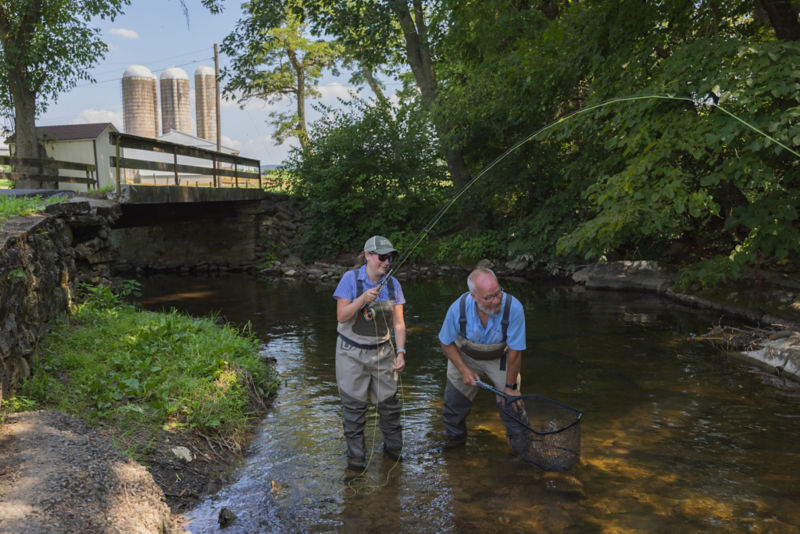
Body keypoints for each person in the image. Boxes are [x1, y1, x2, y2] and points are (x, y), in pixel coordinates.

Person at [333, 235, 407, 472]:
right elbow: (342, 316)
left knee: (390, 408)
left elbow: (398, 324)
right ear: (367, 256)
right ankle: (356, 463)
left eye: (390, 258)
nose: (386, 262)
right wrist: (362, 299)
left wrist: (401, 352)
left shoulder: (394, 285)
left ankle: (394, 455)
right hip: (350, 353)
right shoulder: (350, 279)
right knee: (354, 411)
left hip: (383, 353)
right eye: (382, 257)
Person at [438, 267, 528, 453]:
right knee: (453, 407)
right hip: (465, 357)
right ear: (474, 296)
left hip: (500, 357)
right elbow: (445, 342)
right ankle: (455, 450)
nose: (496, 301)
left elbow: (515, 351)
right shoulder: (457, 308)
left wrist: (511, 387)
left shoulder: (514, 308)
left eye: (498, 293)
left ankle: (522, 450)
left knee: (513, 405)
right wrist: (463, 370)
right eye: (488, 298)